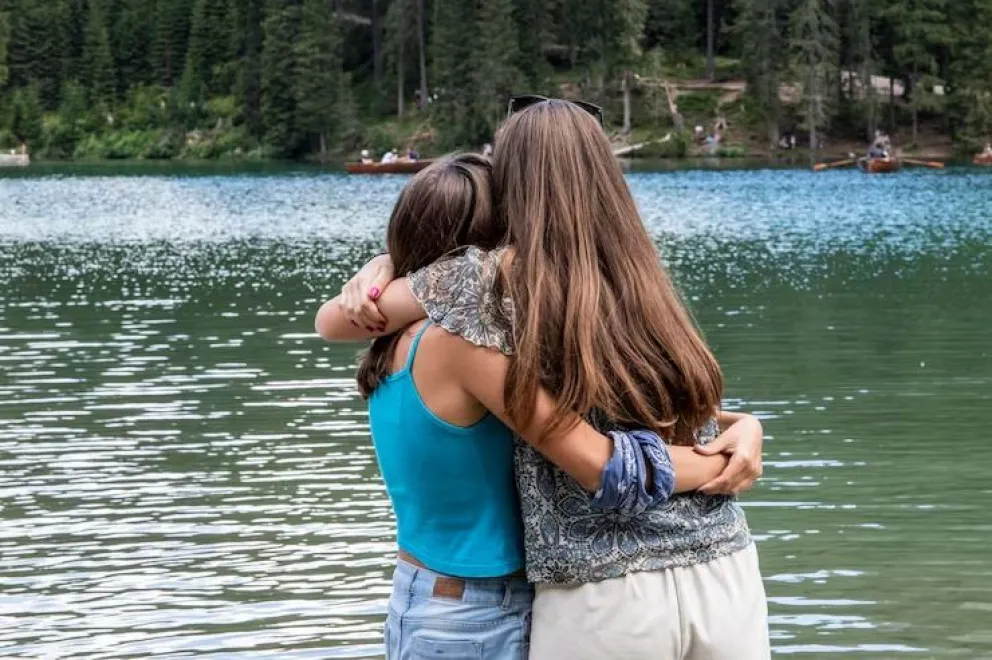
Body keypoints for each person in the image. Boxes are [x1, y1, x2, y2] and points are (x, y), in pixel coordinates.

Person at [324, 99, 769, 659]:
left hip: (602, 588)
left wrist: (386, 268)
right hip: (726, 569)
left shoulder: (484, 283)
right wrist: (732, 442)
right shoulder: (639, 275)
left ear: (512, 188)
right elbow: (649, 407)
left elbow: (333, 321)